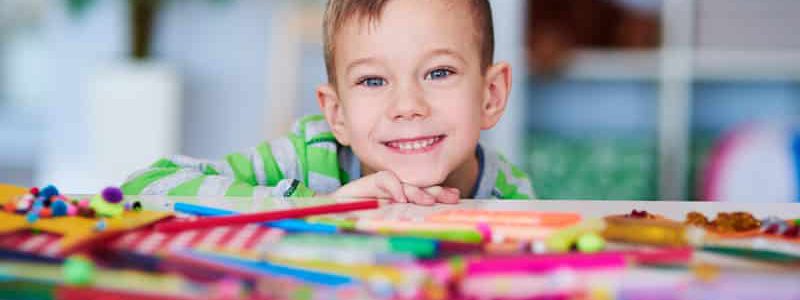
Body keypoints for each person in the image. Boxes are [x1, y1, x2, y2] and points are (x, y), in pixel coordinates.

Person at [121, 0, 534, 205]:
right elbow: (147, 186)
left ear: (490, 94)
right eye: (373, 80)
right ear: (337, 114)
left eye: (438, 73)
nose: (408, 105)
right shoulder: (311, 155)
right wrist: (319, 208)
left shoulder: (509, 195)